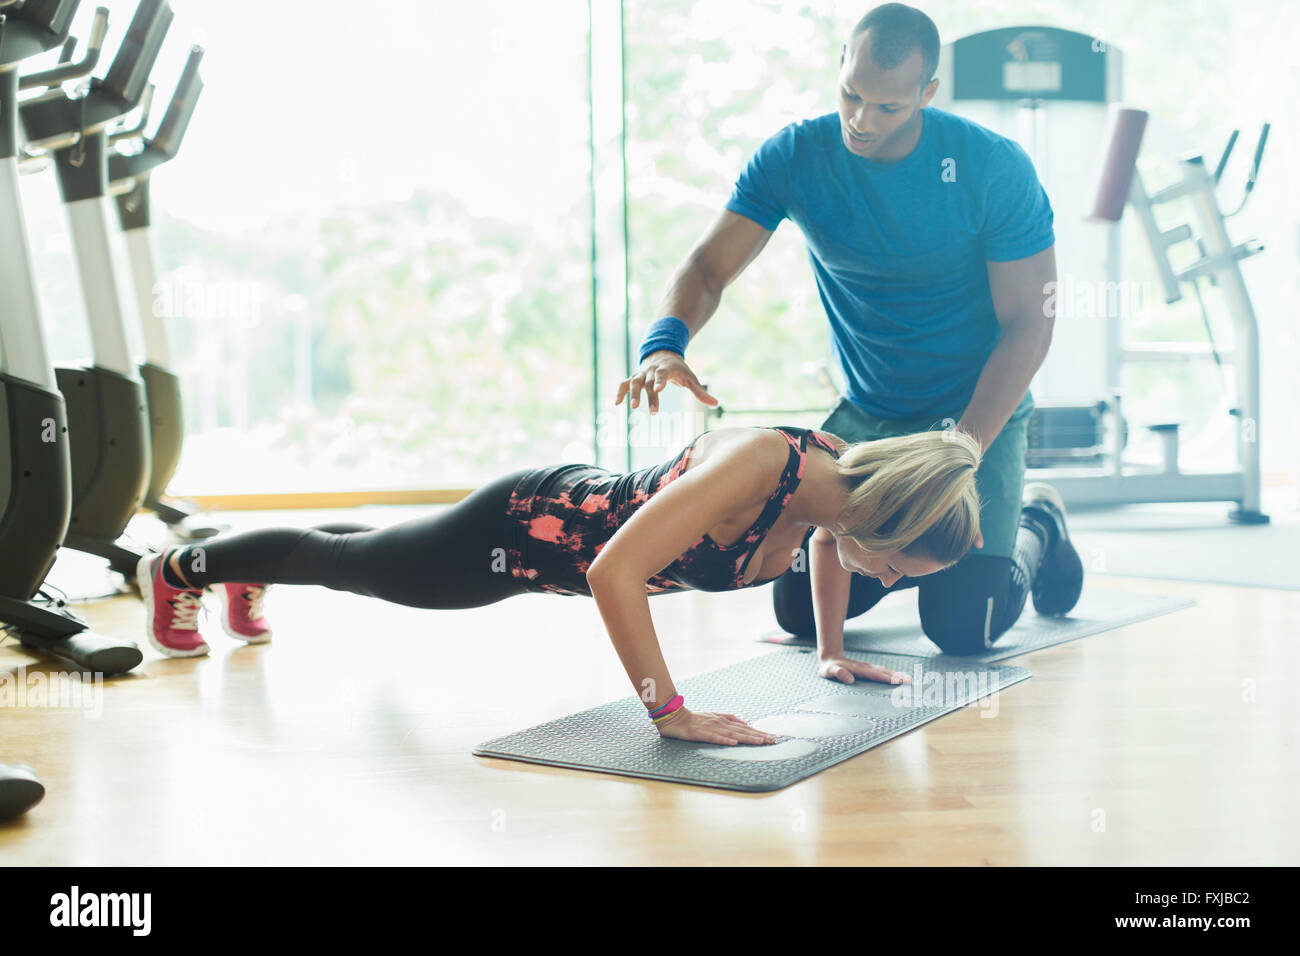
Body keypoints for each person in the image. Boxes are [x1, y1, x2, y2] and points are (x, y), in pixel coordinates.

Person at [616, 3, 1084, 655]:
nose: (862, 121)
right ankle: (911, 561)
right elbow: (707, 265)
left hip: (975, 412)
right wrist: (665, 343)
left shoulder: (990, 168)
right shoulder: (796, 157)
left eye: (888, 108)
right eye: (851, 95)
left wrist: (964, 450)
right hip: (870, 414)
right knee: (800, 609)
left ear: (927, 94)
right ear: (841, 63)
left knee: (963, 626)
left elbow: (1030, 324)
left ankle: (1039, 520)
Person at [138, 424, 982, 746]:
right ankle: (177, 567)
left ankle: (239, 569)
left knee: (368, 557)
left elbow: (832, 545)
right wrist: (669, 710)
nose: (896, 584)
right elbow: (616, 568)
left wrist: (831, 652)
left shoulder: (840, 496)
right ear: (893, 525)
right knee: (354, 568)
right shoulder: (769, 463)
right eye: (905, 569)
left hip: (552, 552)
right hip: (521, 530)